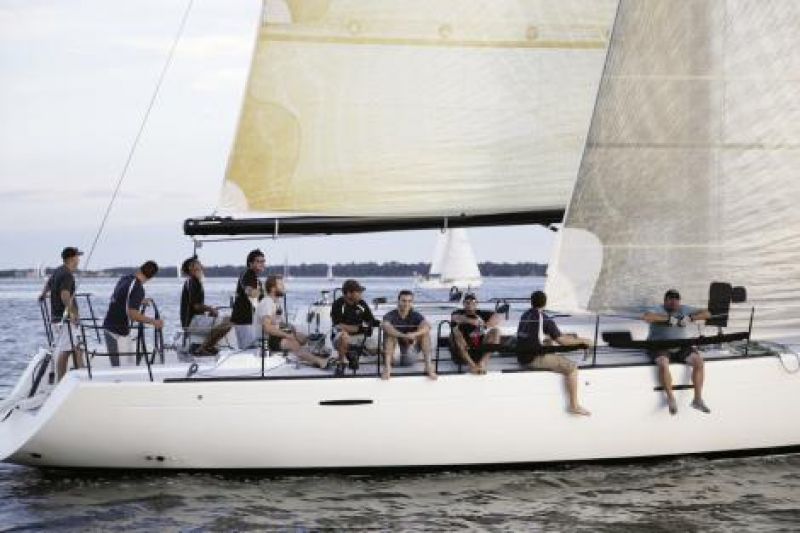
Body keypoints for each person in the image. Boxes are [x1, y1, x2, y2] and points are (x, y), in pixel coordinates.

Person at [517, 291, 591, 416]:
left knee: (549, 341)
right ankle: (574, 405)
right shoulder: (545, 319)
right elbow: (562, 341)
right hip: (533, 359)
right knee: (572, 367)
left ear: (532, 302)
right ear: (545, 303)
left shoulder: (525, 315)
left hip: (521, 356)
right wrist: (583, 340)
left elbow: (537, 335)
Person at [643, 289, 712, 415]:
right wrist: (667, 319)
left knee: (699, 362)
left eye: (676, 301)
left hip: (681, 346)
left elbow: (708, 314)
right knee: (663, 363)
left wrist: (691, 318)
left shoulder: (684, 309)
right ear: (665, 301)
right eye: (671, 301)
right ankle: (671, 399)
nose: (674, 304)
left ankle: (697, 399)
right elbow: (647, 317)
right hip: (660, 346)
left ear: (679, 302)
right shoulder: (657, 309)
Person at [256, 275, 331, 369]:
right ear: (272, 288)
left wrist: (293, 330)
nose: (284, 287)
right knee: (293, 343)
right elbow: (267, 328)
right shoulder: (267, 302)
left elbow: (278, 322)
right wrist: (287, 335)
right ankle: (319, 361)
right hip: (267, 340)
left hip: (276, 336)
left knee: (303, 338)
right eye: (281, 285)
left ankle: (310, 357)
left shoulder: (276, 303)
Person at [102, 261, 163, 367]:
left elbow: (119, 297)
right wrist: (154, 322)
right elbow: (133, 315)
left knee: (118, 366)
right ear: (151, 277)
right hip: (117, 332)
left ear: (140, 268)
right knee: (120, 368)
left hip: (108, 326)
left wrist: (139, 300)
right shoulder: (138, 289)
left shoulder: (125, 278)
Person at [38, 246, 85, 380]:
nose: (79, 260)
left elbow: (49, 283)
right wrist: (73, 314)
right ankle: (62, 382)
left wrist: (43, 294)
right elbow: (65, 295)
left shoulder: (59, 270)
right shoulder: (67, 274)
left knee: (76, 349)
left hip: (57, 317)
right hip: (65, 319)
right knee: (66, 351)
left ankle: (80, 378)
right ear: (71, 258)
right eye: (77, 257)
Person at [381, 290, 437, 381]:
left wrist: (414, 334)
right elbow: (385, 326)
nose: (406, 304)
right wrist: (403, 336)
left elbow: (428, 326)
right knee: (390, 334)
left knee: (425, 333)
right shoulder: (390, 315)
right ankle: (387, 368)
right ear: (398, 301)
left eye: (409, 301)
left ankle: (428, 366)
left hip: (410, 355)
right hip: (394, 357)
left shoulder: (415, 315)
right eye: (404, 301)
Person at [180, 256, 231, 356]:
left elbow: (196, 306)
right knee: (229, 321)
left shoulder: (194, 282)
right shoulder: (192, 282)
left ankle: (206, 346)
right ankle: (204, 348)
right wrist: (210, 309)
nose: (202, 266)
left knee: (225, 320)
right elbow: (196, 306)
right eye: (199, 264)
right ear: (191, 268)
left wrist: (210, 311)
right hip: (191, 322)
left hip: (195, 319)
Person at [331, 279, 378, 376]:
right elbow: (339, 326)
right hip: (341, 337)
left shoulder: (362, 304)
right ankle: (341, 364)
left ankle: (354, 355)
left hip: (361, 337)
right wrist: (360, 328)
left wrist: (384, 323)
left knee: (380, 349)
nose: (361, 294)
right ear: (348, 293)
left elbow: (371, 320)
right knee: (344, 336)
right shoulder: (338, 304)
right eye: (359, 292)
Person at [450, 294, 501, 374]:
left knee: (496, 331)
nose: (470, 304)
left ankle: (483, 362)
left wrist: (485, 325)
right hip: (461, 350)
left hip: (478, 345)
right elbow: (455, 318)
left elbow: (497, 317)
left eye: (473, 302)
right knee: (456, 332)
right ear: (463, 304)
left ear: (477, 303)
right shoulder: (458, 312)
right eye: (467, 302)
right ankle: (472, 365)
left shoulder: (481, 313)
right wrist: (472, 321)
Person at [231, 249, 266, 349]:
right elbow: (249, 291)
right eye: (258, 261)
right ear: (250, 263)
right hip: (244, 320)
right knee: (248, 350)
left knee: (252, 349)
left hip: (250, 320)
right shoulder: (248, 274)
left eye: (263, 261)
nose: (262, 264)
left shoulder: (255, 278)